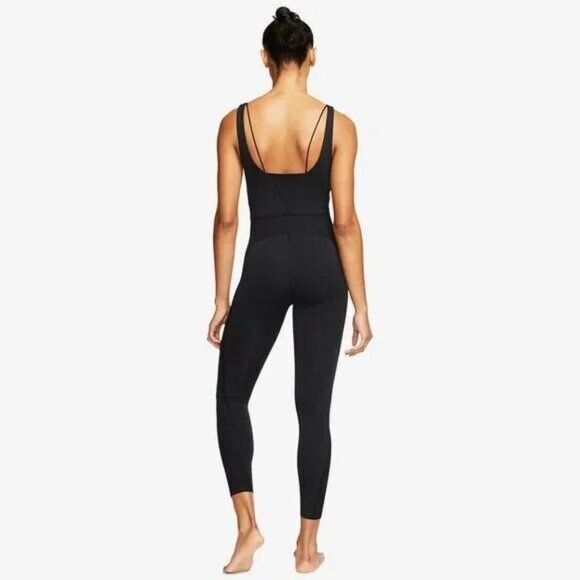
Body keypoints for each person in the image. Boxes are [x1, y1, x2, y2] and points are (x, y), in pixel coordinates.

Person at [207, 6, 373, 574]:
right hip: (323, 265)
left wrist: (222, 298)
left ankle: (247, 528)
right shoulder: (339, 125)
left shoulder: (235, 123)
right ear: (312, 56)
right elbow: (345, 222)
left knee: (232, 396)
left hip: (265, 262)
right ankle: (306, 547)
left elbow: (227, 219)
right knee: (313, 409)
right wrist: (362, 304)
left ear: (265, 59)